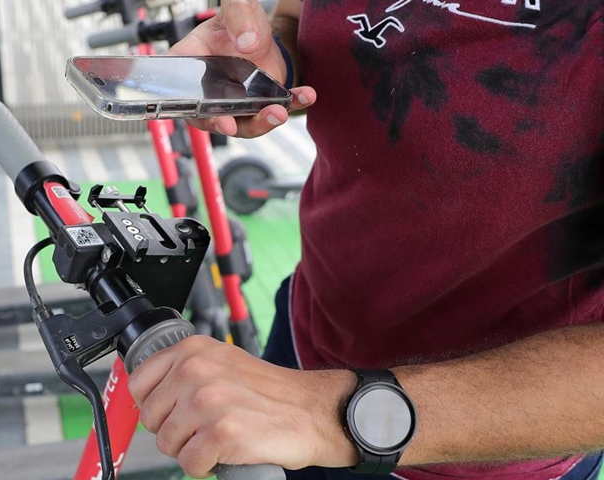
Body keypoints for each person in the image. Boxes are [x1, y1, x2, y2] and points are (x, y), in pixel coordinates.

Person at [127, 0, 604, 479]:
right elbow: (298, 18)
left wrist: (324, 413)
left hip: (463, 449)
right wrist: (271, 66)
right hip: (304, 339)